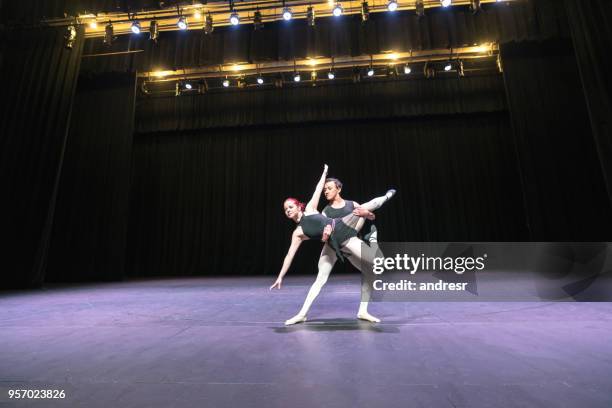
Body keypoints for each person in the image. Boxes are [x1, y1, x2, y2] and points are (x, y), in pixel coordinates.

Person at [269, 164, 396, 325]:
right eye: (285, 209)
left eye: (290, 206)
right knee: (320, 279)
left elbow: (318, 188)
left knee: (374, 266)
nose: (287, 210)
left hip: (343, 230)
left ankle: (363, 310)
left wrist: (324, 173)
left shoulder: (310, 208)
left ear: (298, 205)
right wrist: (280, 277)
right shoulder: (298, 233)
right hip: (331, 244)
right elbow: (289, 255)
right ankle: (302, 314)